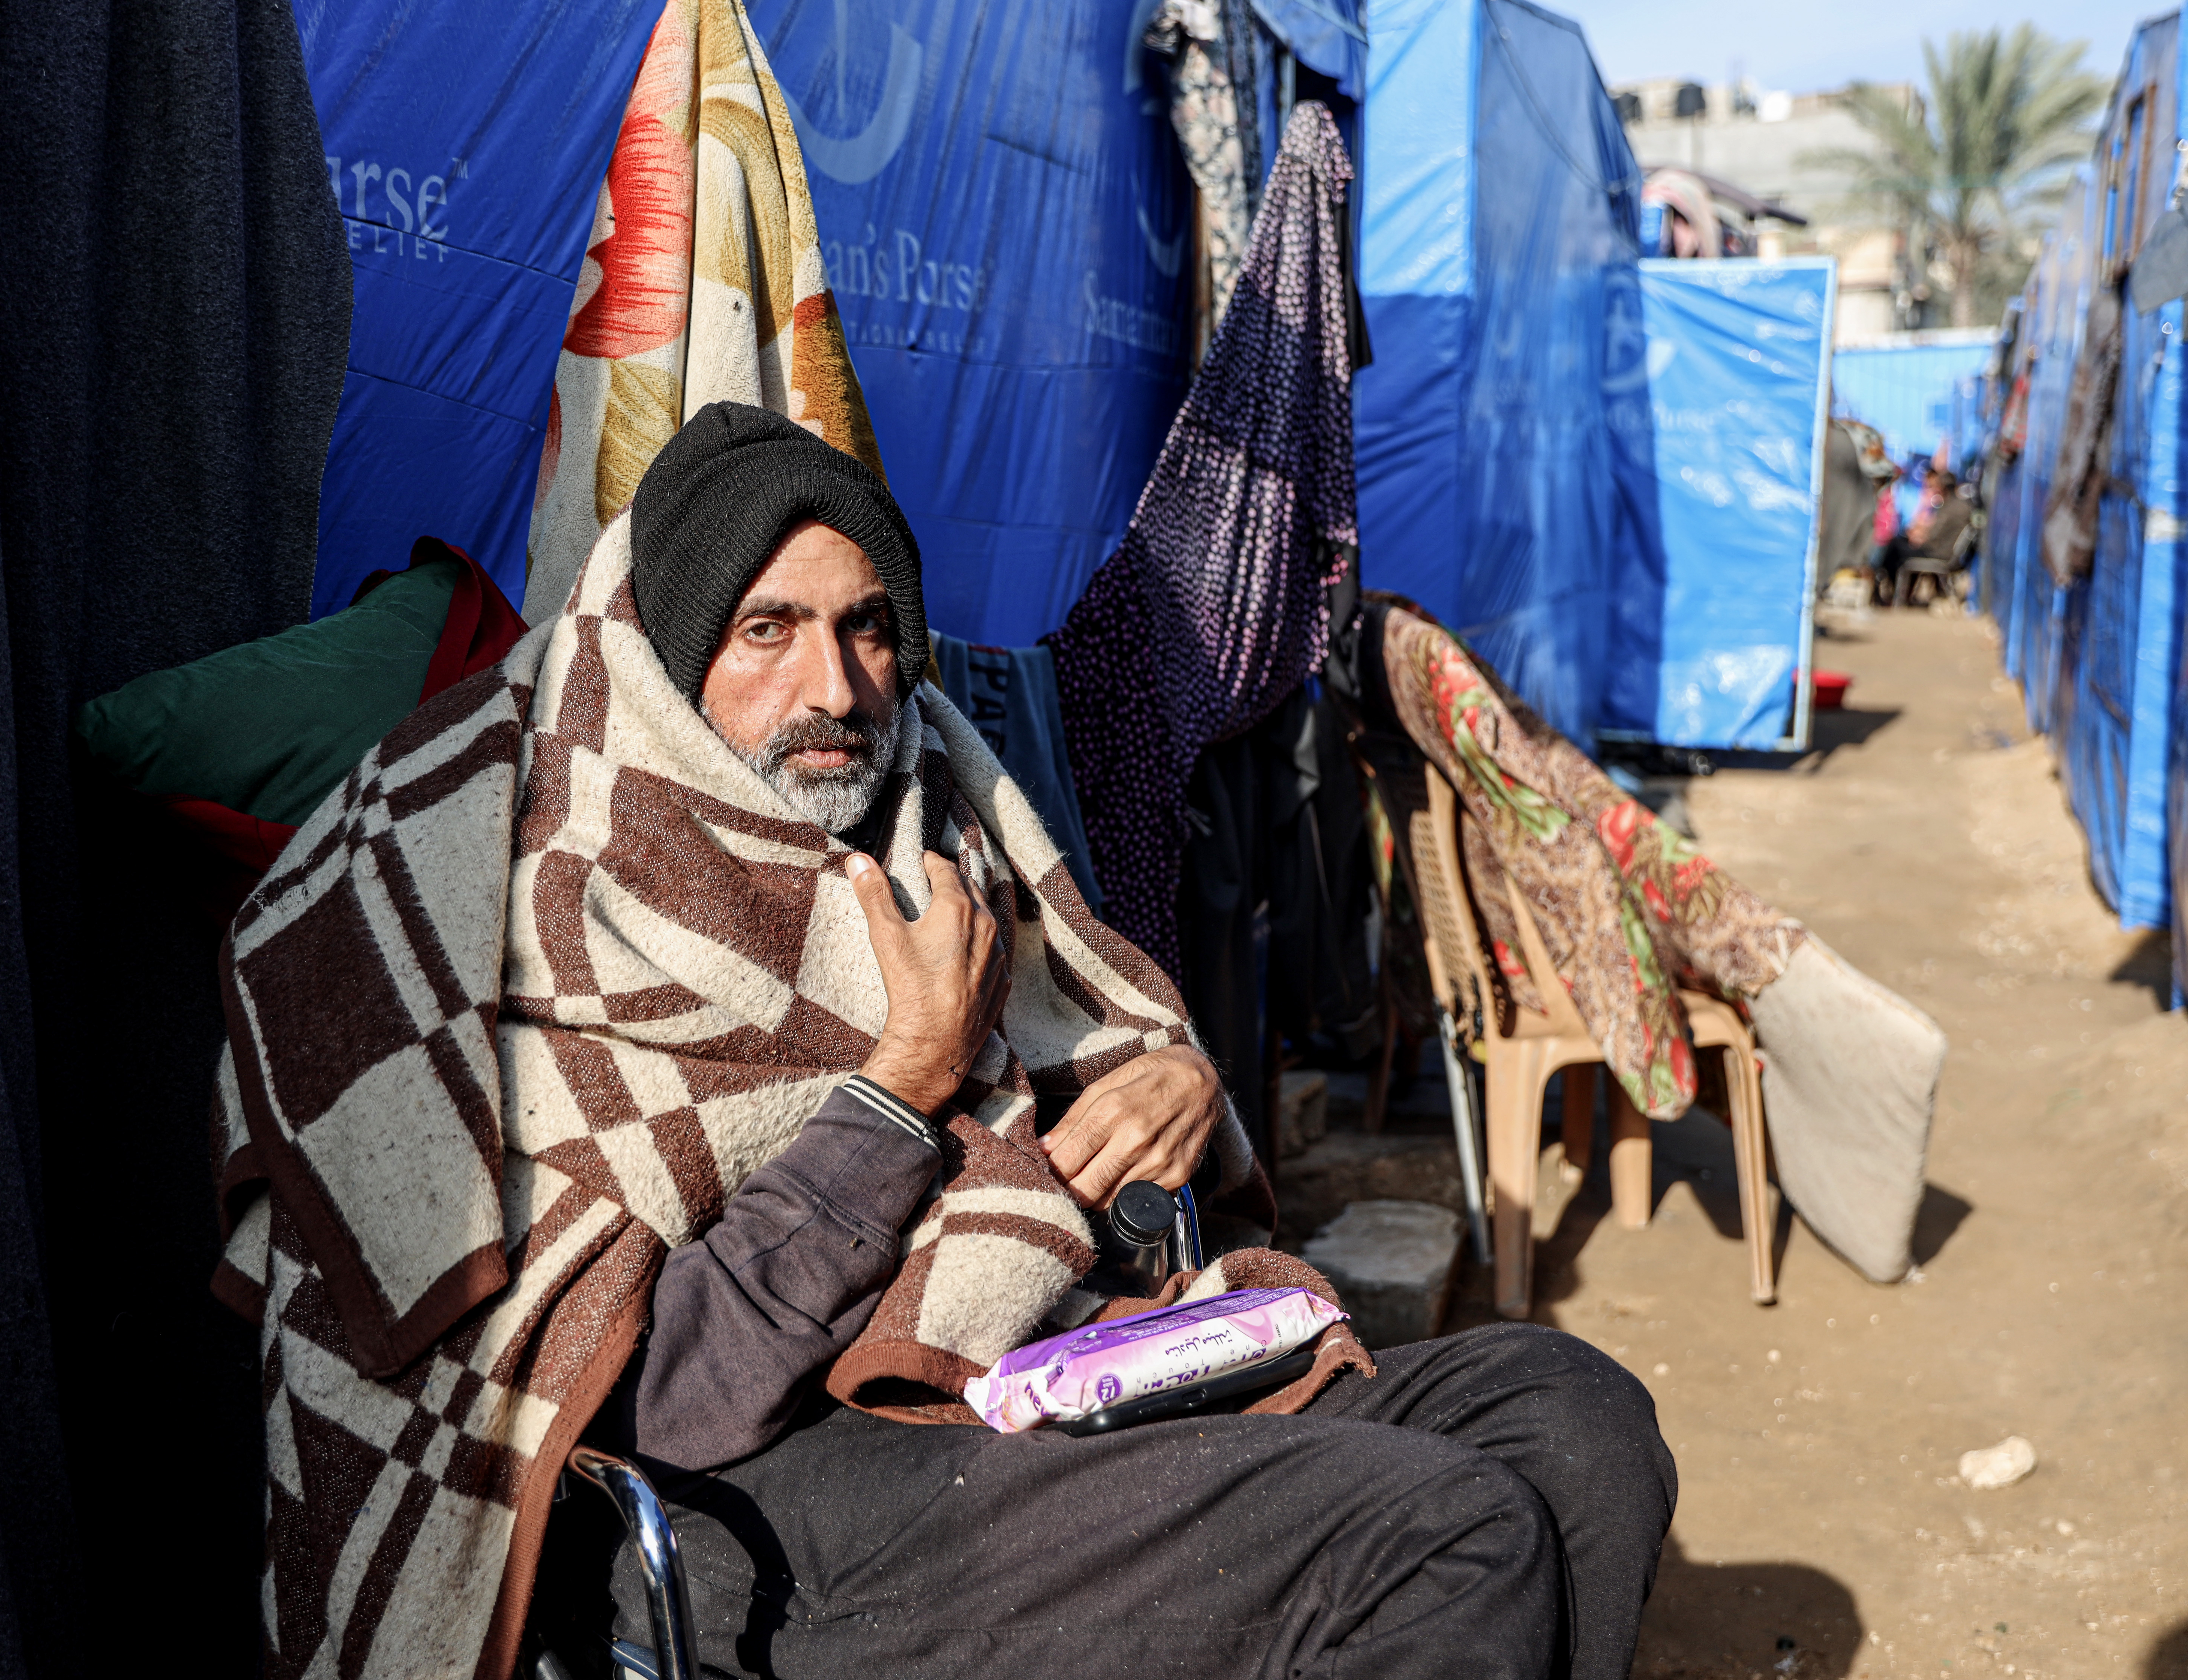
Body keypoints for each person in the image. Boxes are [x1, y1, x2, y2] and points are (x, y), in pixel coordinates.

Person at [218, 402, 1674, 1680]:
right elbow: (668, 1396)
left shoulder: (934, 822)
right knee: (1445, 1537)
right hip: (759, 1488)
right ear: (668, 659)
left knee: (1570, 1419)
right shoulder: (542, 877)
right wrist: (898, 1089)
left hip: (1018, 1367)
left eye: (864, 628)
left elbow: (1086, 1061)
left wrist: (1160, 1085)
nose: (835, 690)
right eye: (766, 631)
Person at [1874, 465, 1973, 604]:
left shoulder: (1951, 508)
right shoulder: (1959, 506)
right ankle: (1895, 591)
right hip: (1941, 551)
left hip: (1938, 553)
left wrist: (1919, 539)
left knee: (1895, 547)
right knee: (1899, 544)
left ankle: (1887, 588)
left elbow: (1935, 536)